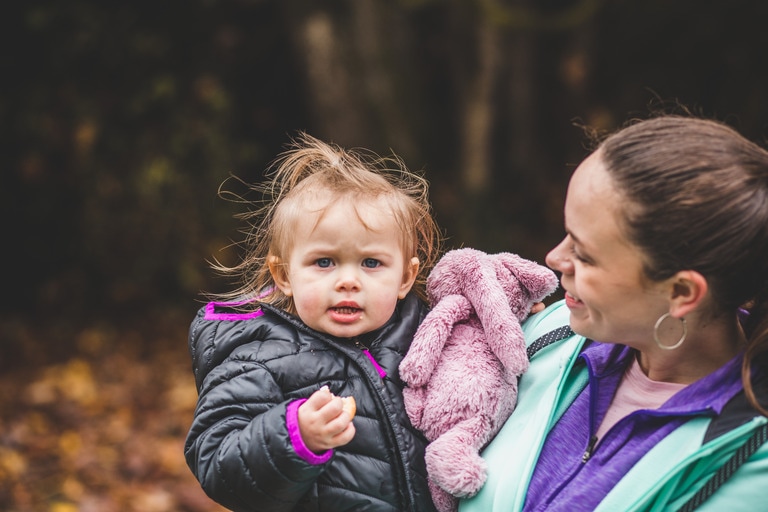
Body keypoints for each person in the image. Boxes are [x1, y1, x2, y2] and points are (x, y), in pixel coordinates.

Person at [459, 115, 768, 512]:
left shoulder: (749, 460)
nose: (554, 258)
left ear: (681, 292)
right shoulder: (543, 334)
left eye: (584, 254)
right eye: (566, 232)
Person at [184, 133, 442, 512]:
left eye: (371, 263)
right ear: (283, 274)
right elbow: (216, 463)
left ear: (405, 277)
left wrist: (507, 315)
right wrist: (293, 435)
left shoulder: (429, 334)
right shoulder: (258, 356)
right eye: (324, 262)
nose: (348, 280)